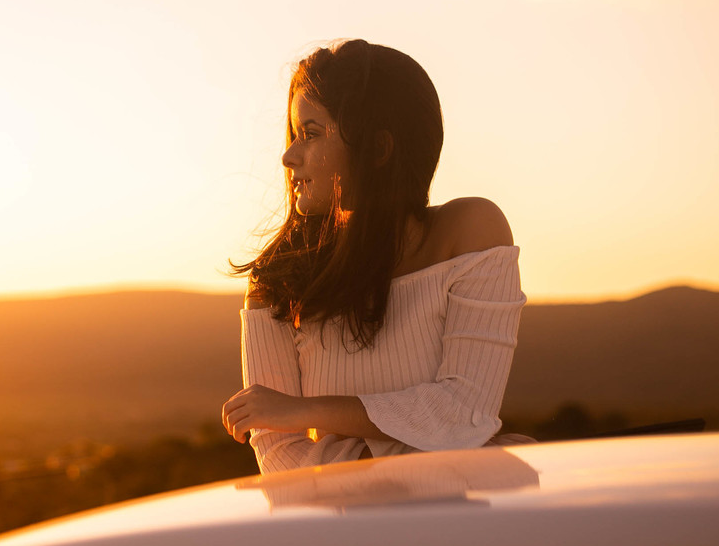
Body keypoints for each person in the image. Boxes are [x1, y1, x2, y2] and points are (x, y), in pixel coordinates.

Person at [221, 39, 532, 474]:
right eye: (294, 135)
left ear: (378, 149)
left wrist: (303, 410)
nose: (288, 156)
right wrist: (434, 457)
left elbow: (463, 412)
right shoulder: (276, 280)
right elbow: (279, 457)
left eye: (310, 133)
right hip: (381, 518)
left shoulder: (470, 233)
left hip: (447, 519)